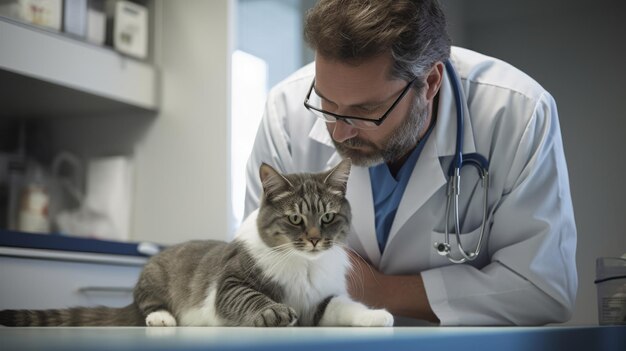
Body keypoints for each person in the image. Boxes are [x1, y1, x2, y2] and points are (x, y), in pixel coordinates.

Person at [243, 0, 577, 326]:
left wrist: (378, 290)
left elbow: (543, 289)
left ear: (430, 83)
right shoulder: (286, 110)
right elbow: (256, 266)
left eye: (365, 111)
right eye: (327, 103)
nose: (340, 132)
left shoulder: (518, 112)